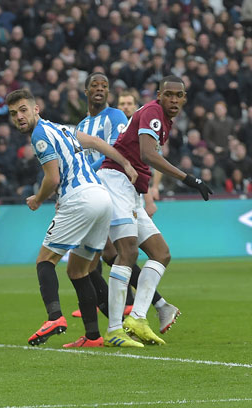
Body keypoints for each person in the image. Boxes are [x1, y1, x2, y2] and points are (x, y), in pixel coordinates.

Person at [5, 88, 139, 348]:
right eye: (13, 114)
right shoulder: (62, 129)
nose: (19, 117)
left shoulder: (40, 136)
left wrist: (37, 199)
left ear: (35, 109)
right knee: (80, 270)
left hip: (79, 198)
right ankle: (95, 335)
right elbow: (99, 144)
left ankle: (54, 317)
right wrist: (125, 162)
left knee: (45, 260)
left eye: (22, 110)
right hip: (101, 198)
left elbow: (52, 178)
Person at [98, 75, 212, 346]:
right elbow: (149, 155)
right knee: (125, 252)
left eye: (178, 95)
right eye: (168, 94)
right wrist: (189, 179)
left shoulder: (162, 118)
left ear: (184, 99)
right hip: (116, 181)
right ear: (159, 95)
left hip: (132, 190)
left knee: (161, 253)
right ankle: (114, 329)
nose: (173, 99)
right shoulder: (153, 112)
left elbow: (144, 159)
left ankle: (137, 318)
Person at [73, 73, 180, 335]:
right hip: (97, 190)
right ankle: (132, 314)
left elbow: (120, 154)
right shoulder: (83, 124)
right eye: (94, 86)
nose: (99, 90)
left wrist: (147, 194)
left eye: (104, 86)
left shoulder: (116, 117)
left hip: (112, 186)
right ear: (85, 91)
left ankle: (116, 322)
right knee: (106, 256)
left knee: (111, 255)